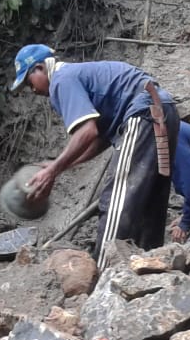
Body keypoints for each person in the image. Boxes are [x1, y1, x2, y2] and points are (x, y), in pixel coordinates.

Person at [10, 44, 179, 267]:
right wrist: (61, 166)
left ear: (40, 68)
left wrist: (52, 169)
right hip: (163, 109)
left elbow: (86, 131)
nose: (31, 90)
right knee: (149, 200)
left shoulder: (61, 79)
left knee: (116, 200)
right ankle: (151, 268)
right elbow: (100, 138)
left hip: (143, 113)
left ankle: (103, 271)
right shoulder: (78, 76)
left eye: (28, 82)